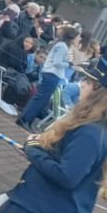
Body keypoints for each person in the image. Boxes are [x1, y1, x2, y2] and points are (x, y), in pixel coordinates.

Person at [6, 57, 107, 213]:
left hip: (42, 205)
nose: (82, 84)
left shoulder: (91, 132)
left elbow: (67, 176)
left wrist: (33, 150)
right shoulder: (95, 129)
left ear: (97, 91)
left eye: (88, 81)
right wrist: (42, 148)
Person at [23, 26, 81, 130]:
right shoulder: (63, 46)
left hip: (51, 74)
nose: (79, 39)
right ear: (72, 37)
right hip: (52, 74)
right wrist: (69, 63)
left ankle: (27, 119)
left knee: (41, 99)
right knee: (40, 99)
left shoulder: (61, 45)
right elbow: (57, 62)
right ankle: (25, 119)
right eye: (77, 37)